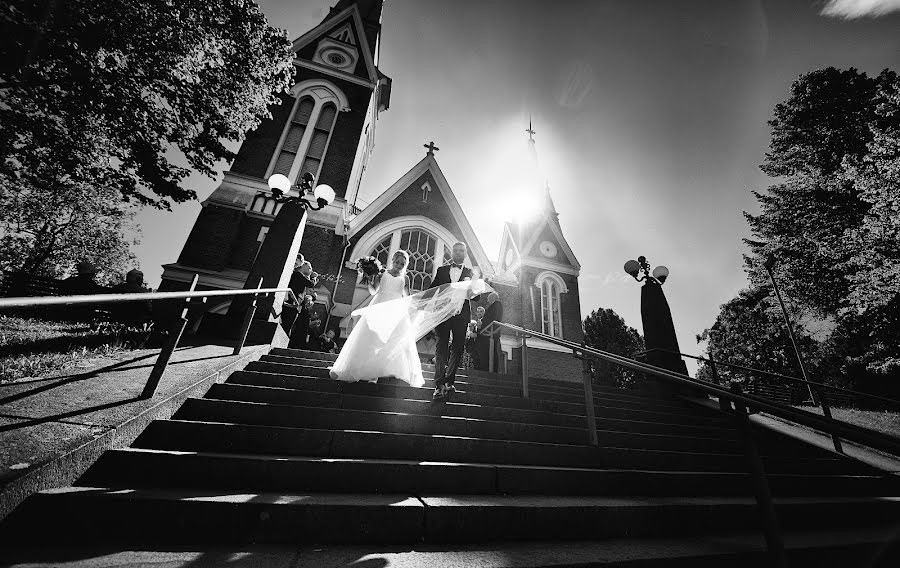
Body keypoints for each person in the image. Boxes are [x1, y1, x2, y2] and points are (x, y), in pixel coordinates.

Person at [329, 250, 424, 386]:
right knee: (370, 338)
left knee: (389, 341)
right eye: (397, 262)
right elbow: (374, 291)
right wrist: (367, 278)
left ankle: (379, 373)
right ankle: (360, 371)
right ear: (392, 261)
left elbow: (407, 296)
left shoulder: (406, 278)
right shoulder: (382, 273)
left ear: (405, 265)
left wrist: (414, 308)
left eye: (402, 264)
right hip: (379, 306)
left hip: (395, 310)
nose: (399, 265)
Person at [429, 241, 479, 401]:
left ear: (465, 254)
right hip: (443, 314)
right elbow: (432, 290)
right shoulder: (442, 270)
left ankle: (449, 381)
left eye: (461, 251)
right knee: (441, 347)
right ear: (451, 253)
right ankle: (439, 384)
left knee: (457, 348)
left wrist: (472, 287)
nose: (458, 253)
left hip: (461, 315)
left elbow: (476, 297)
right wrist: (417, 303)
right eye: (455, 250)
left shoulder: (471, 273)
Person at [476, 291, 504, 372]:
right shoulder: (496, 305)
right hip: (490, 332)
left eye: (488, 299)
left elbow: (493, 318)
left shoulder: (497, 305)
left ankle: (491, 370)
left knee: (491, 352)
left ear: (492, 298)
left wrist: (483, 323)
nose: (487, 301)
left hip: (491, 333)